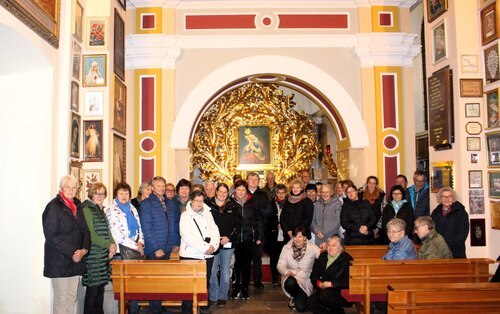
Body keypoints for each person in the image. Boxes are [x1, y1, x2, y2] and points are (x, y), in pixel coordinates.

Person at [43, 175, 90, 314]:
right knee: (61, 298)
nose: (71, 190)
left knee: (71, 297)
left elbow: (85, 231)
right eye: (67, 187)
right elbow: (51, 235)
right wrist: (73, 252)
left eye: (74, 187)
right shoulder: (53, 207)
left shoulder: (78, 206)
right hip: (59, 261)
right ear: (61, 189)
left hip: (77, 260)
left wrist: (83, 250)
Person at [139, 176, 180, 313]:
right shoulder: (146, 203)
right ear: (152, 187)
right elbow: (146, 227)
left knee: (162, 279)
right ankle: (154, 309)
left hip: (168, 246)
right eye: (158, 186)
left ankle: (159, 306)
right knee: (154, 281)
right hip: (155, 249)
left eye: (163, 186)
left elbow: (174, 224)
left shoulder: (170, 203)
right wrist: (156, 248)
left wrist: (175, 242)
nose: (161, 188)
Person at [105, 182, 144, 314]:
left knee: (134, 287)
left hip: (134, 251)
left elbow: (139, 227)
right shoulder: (111, 209)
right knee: (120, 289)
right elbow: (117, 234)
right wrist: (135, 246)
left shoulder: (132, 208)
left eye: (126, 193)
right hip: (120, 252)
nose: (124, 195)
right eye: (121, 193)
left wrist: (141, 242)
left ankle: (133, 311)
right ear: (116, 194)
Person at [179, 190, 220, 313]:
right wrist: (205, 247)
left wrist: (213, 245)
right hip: (191, 255)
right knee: (188, 287)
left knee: (203, 285)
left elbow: (215, 230)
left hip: (207, 256)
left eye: (201, 201)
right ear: (191, 201)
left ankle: (201, 308)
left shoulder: (208, 213)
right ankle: (187, 310)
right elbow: (187, 236)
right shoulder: (185, 216)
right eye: (197, 201)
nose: (199, 203)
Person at [79, 182, 117, 314]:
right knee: (92, 292)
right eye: (97, 193)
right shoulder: (87, 209)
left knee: (100, 290)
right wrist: (108, 245)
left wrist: (112, 244)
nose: (100, 196)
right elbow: (91, 234)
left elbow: (107, 230)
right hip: (93, 257)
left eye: (102, 193)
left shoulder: (100, 209)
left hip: (102, 256)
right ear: (91, 194)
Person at [206, 183, 242, 307]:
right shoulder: (207, 204)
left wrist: (229, 237)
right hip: (213, 243)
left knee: (225, 271)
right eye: (220, 191)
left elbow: (238, 225)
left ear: (228, 193)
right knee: (211, 271)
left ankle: (222, 296)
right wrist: (213, 239)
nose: (222, 194)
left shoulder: (233, 206)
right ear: (216, 192)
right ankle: (213, 296)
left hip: (228, 243)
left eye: (225, 192)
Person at [230, 180, 263, 300]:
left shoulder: (253, 202)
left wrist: (259, 236)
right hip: (235, 238)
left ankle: (244, 287)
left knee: (247, 264)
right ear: (235, 190)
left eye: (243, 189)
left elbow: (259, 220)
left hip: (249, 238)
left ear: (246, 190)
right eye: (238, 189)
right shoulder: (230, 202)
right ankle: (236, 287)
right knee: (236, 264)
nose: (241, 192)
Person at [277, 227, 320, 312]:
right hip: (290, 277)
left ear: (305, 237)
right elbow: (280, 265)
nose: (297, 239)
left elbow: (323, 256)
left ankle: (297, 298)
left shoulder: (312, 247)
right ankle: (294, 296)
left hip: (305, 280)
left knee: (301, 308)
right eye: (295, 236)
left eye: (300, 236)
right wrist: (286, 271)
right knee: (290, 282)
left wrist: (326, 247)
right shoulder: (286, 248)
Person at [308, 235, 353, 314]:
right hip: (323, 290)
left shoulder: (346, 259)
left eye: (333, 245)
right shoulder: (322, 256)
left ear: (340, 248)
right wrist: (319, 283)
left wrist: (331, 284)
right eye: (329, 245)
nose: (330, 247)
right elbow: (313, 276)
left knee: (325, 295)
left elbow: (348, 280)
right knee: (310, 302)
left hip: (340, 292)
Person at [246, 171, 271, 289]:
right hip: (245, 231)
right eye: (251, 180)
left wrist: (257, 210)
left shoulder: (263, 195)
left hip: (259, 230)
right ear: (247, 181)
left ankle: (257, 280)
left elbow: (269, 211)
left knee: (257, 258)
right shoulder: (242, 193)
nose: (253, 182)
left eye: (256, 180)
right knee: (244, 258)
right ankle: (243, 281)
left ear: (259, 181)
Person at [431, 187, 469, 258]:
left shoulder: (461, 212)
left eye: (449, 196)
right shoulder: (435, 213)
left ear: (453, 198)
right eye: (444, 197)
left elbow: (463, 233)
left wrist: (450, 244)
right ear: (440, 199)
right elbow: (432, 231)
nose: (446, 199)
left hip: (456, 251)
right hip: (439, 250)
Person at [265, 184, 287, 285]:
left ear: (286, 193)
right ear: (276, 193)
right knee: (274, 257)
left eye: (283, 193)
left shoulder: (289, 203)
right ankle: (274, 278)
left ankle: (284, 278)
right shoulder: (270, 203)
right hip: (273, 234)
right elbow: (266, 219)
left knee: (285, 257)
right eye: (279, 192)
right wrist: (276, 225)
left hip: (286, 234)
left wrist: (284, 225)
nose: (281, 195)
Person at [311, 182, 342, 249]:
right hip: (319, 237)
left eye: (327, 192)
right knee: (320, 258)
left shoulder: (337, 203)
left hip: (332, 237)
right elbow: (312, 221)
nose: (325, 194)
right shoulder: (317, 204)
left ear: (331, 193)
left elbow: (338, 221)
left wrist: (324, 232)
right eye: (323, 192)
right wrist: (317, 232)